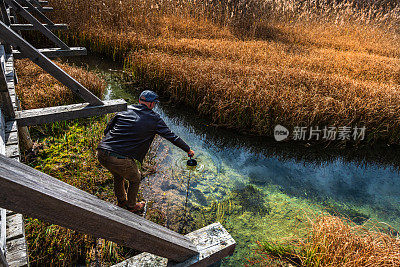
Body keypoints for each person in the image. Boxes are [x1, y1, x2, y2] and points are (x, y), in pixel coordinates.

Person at [97, 90, 195, 214]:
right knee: (135, 178)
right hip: (119, 159)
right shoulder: (154, 119)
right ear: (150, 104)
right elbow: (172, 137)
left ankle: (121, 201)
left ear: (140, 101)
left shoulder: (124, 110)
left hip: (101, 153)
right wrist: (188, 149)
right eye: (154, 103)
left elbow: (107, 130)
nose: (154, 106)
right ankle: (132, 206)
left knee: (118, 175)